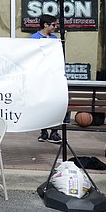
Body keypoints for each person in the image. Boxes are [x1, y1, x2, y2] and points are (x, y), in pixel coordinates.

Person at [30, 14, 62, 144]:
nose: (55, 27)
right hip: (40, 77)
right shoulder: (34, 39)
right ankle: (43, 131)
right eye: (53, 25)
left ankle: (54, 132)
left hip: (52, 76)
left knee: (53, 103)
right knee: (42, 104)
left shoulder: (54, 39)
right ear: (45, 25)